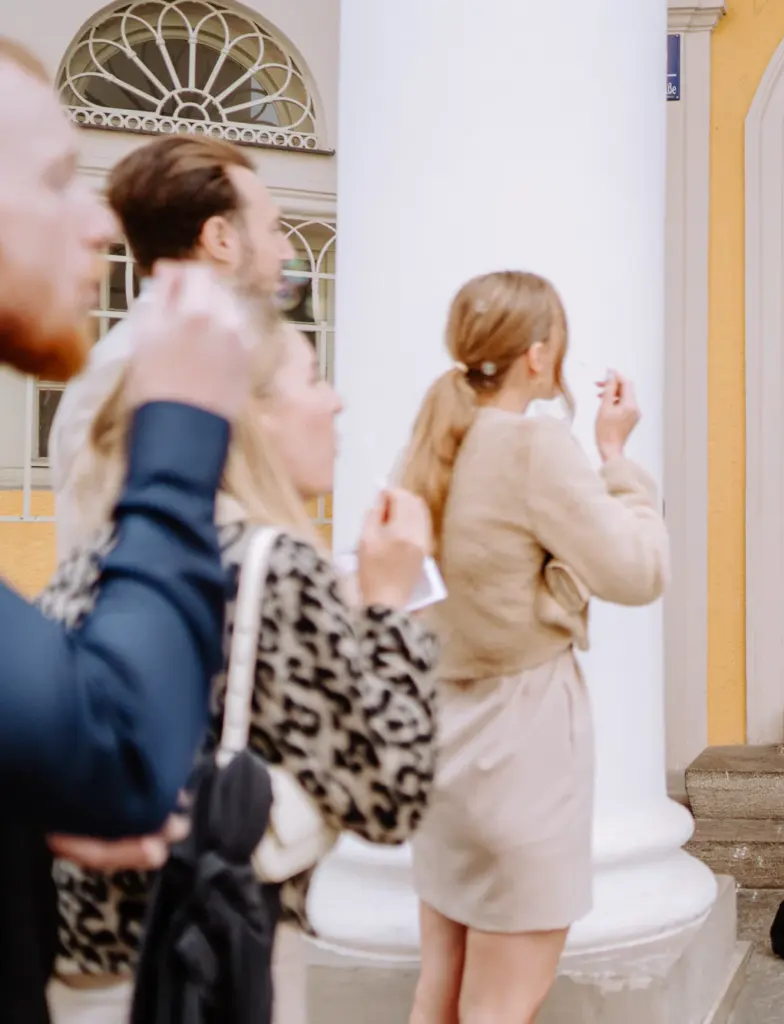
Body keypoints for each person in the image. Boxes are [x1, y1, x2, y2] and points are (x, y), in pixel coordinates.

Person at [41, 310, 439, 1023]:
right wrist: (385, 608)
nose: (337, 399)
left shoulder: (97, 556)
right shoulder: (273, 567)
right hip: (207, 963)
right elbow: (393, 795)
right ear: (251, 417)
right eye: (314, 378)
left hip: (83, 970)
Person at [0, 38, 252, 1021]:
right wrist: (182, 426)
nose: (102, 221)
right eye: (59, 178)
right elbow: (126, 759)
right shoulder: (143, 371)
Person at [401, 272, 668, 1024]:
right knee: (500, 1008)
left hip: (444, 747)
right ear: (539, 355)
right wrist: (616, 459)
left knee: (439, 995)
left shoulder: (431, 445)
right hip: (521, 750)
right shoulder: (532, 446)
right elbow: (640, 571)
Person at [49, 133, 295, 555]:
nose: (286, 251)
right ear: (220, 238)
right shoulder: (134, 369)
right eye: (273, 228)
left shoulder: (200, 357)